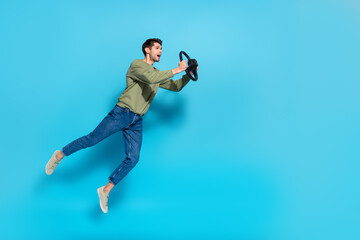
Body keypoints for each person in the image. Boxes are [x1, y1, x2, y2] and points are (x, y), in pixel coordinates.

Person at [45, 38, 197, 213]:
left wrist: (187, 75)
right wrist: (177, 69)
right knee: (91, 139)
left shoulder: (157, 74)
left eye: (161, 48)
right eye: (157, 48)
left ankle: (105, 189)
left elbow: (175, 86)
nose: (160, 51)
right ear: (147, 50)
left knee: (133, 158)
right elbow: (151, 77)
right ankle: (60, 155)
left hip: (137, 121)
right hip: (122, 113)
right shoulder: (137, 65)